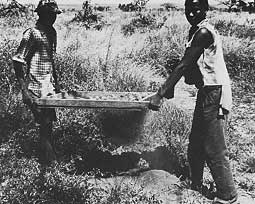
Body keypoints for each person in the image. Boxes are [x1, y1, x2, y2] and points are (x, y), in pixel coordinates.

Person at [149, 0, 238, 203]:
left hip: (214, 91)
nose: (191, 13)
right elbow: (189, 66)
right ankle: (195, 184)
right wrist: (171, 87)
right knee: (196, 141)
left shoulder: (204, 33)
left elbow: (183, 65)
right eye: (188, 10)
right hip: (206, 91)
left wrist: (161, 93)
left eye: (196, 9)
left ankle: (228, 195)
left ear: (206, 9)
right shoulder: (195, 30)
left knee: (214, 145)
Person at [12, 0, 62, 165]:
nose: (53, 18)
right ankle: (50, 163)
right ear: (42, 13)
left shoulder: (52, 32)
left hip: (49, 87)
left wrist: (57, 83)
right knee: (44, 123)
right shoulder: (31, 34)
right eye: (50, 14)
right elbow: (18, 61)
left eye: (55, 15)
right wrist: (24, 91)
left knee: (47, 126)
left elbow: (50, 60)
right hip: (34, 86)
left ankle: (45, 159)